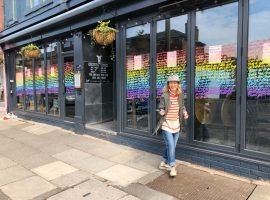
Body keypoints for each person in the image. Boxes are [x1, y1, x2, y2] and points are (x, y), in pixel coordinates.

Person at [155, 74, 188, 177]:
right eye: (171, 83)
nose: (173, 84)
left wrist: (185, 113)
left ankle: (163, 162)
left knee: (171, 146)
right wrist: (161, 111)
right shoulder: (164, 96)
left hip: (176, 125)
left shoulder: (181, 95)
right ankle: (172, 166)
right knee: (171, 146)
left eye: (175, 82)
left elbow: (182, 107)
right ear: (168, 84)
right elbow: (160, 107)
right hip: (167, 124)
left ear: (178, 84)